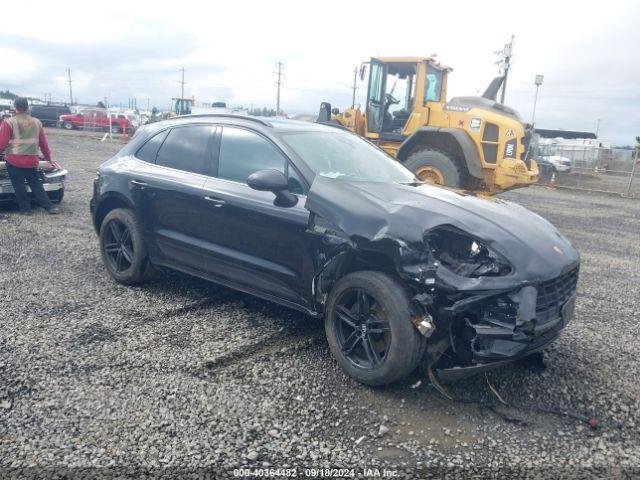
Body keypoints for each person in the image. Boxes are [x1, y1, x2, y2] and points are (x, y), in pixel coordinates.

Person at [0, 97, 59, 215]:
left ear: (15, 107)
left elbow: (2, 142)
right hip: (32, 160)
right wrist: (48, 159)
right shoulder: (37, 122)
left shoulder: (9, 122)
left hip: (13, 160)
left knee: (19, 185)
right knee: (36, 184)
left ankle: (25, 210)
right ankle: (49, 207)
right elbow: (43, 143)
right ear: (27, 107)